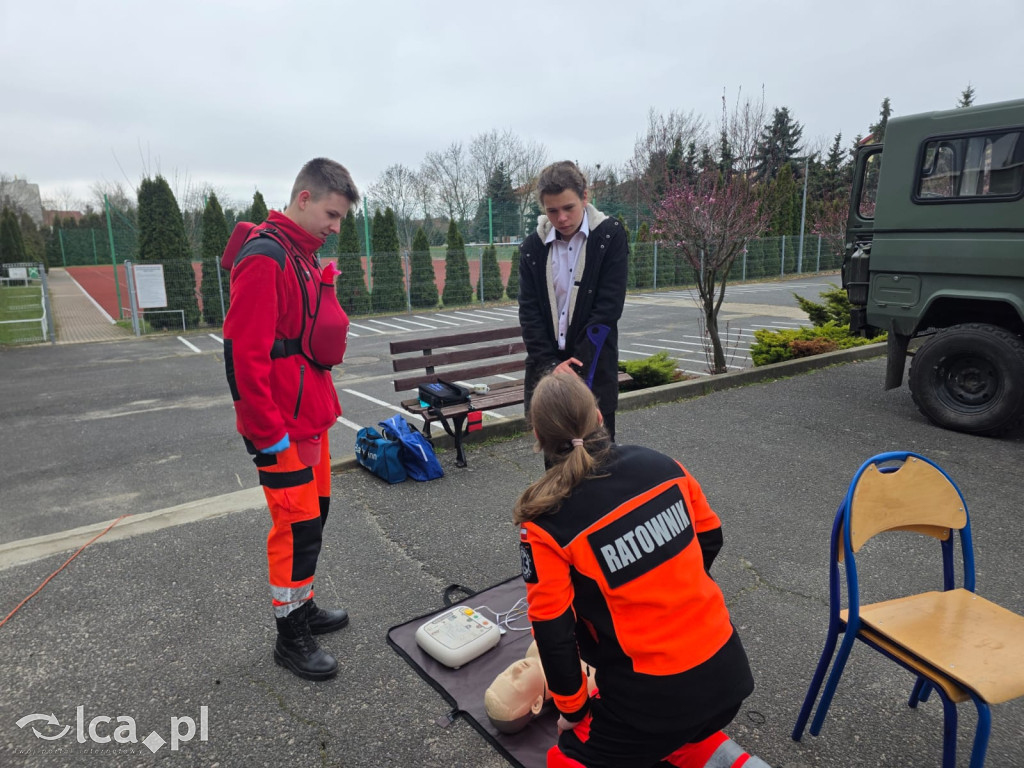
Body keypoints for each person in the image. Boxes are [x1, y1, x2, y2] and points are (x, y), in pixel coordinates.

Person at [515, 373, 765, 768]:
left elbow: (553, 632)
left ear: (538, 437)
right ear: (598, 415)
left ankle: (674, 741)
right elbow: (711, 537)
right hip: (729, 677)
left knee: (562, 760)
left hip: (654, 704)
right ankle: (704, 750)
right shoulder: (663, 465)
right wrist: (665, 582)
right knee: (671, 731)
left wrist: (575, 711)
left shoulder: (546, 524)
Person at [222, 158, 359, 682]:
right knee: (295, 529)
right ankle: (289, 638)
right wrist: (267, 435)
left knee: (314, 520)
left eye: (341, 218)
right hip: (281, 428)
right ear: (303, 198)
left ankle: (302, 607)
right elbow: (242, 356)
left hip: (311, 420)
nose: (335, 226)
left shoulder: (301, 255)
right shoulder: (266, 258)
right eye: (331, 213)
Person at [518, 161, 628, 442]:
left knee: (599, 460)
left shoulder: (609, 236)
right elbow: (529, 314)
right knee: (556, 466)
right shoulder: (533, 247)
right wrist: (551, 366)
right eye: (552, 211)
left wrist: (576, 369)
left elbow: (607, 309)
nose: (561, 218)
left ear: (585, 197)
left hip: (594, 367)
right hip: (547, 371)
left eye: (569, 208)